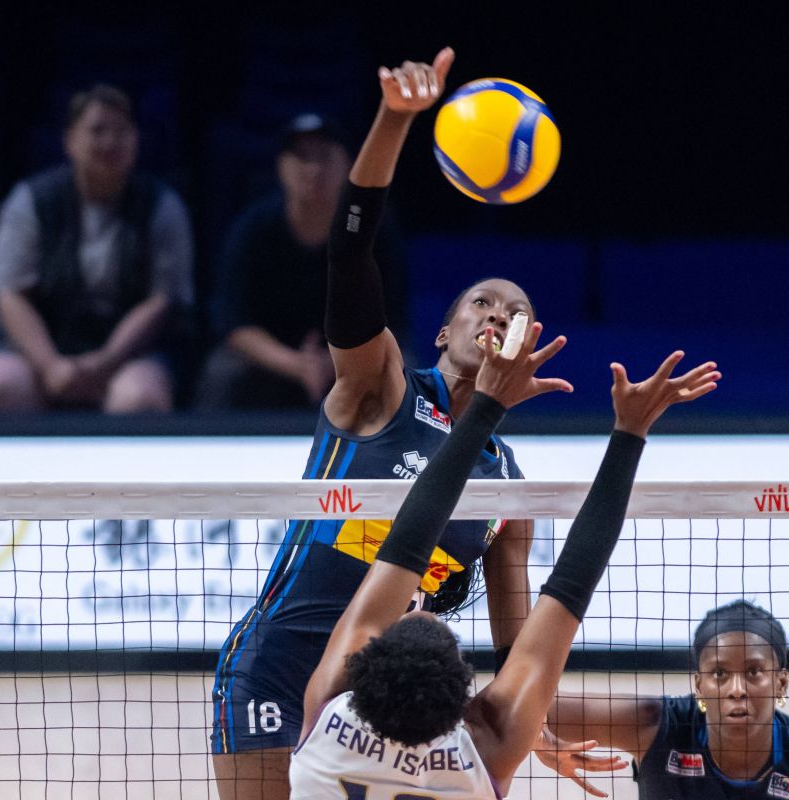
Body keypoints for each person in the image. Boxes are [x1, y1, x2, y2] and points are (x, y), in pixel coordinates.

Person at [210, 47, 616, 799]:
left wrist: (538, 727)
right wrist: (395, 121)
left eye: (516, 312)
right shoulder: (380, 389)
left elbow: (517, 646)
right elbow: (349, 253)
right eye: (482, 302)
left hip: (398, 701)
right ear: (441, 330)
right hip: (279, 668)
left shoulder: (506, 487)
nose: (498, 314)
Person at [291, 321, 720, 798]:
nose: (424, 610)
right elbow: (568, 586)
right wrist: (630, 431)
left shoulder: (329, 713)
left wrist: (489, 404)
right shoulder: (484, 748)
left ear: (362, 663)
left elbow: (413, 536)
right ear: (464, 703)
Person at [0, 83, 194, 413]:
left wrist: (106, 361)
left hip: (130, 352)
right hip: (39, 345)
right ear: (69, 140)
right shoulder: (30, 200)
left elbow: (161, 299)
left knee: (139, 397)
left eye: (121, 131)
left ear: (137, 140)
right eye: (97, 131)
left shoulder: (162, 205)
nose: (110, 142)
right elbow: (10, 294)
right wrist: (50, 365)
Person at [546, 600, 789, 800]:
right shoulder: (654, 725)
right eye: (719, 674)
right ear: (699, 685)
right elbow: (533, 705)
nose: (737, 689)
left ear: (780, 682)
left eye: (754, 672)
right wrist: (540, 742)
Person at [194, 112, 409, 410]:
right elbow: (234, 323)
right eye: (302, 157)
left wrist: (337, 362)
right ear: (280, 166)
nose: (314, 169)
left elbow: (392, 319)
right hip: (272, 357)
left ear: (350, 164)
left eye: (324, 157)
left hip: (355, 354)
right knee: (222, 373)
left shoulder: (375, 229)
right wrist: (297, 364)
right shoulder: (253, 229)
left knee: (403, 368)